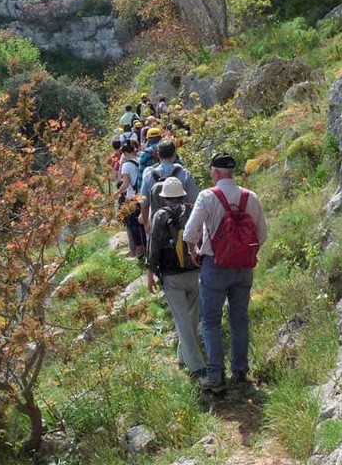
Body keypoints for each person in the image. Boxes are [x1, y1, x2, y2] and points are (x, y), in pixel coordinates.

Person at [183, 152, 267, 393]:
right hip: (243, 269)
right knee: (239, 318)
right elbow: (262, 234)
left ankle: (216, 376)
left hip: (215, 266)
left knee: (210, 322)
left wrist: (194, 250)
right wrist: (246, 252)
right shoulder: (250, 197)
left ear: (215, 173)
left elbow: (190, 233)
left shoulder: (207, 196)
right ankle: (241, 371)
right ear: (232, 172)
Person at [145, 177, 205, 379]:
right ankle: (182, 358)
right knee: (192, 318)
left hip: (172, 277)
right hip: (195, 271)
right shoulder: (193, 210)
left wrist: (150, 274)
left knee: (182, 322)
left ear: (165, 198)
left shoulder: (160, 215)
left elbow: (154, 247)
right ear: (182, 194)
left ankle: (197, 367)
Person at [139, 139, 198, 235]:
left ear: (158, 155)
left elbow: (144, 204)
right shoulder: (184, 174)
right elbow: (194, 201)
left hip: (156, 223)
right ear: (174, 154)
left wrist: (146, 223)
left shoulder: (148, 174)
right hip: (181, 223)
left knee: (156, 248)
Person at [113, 139, 147, 259]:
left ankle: (139, 248)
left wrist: (116, 193)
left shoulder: (126, 165)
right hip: (142, 196)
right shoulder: (140, 161)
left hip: (132, 198)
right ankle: (147, 246)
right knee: (143, 222)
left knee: (133, 224)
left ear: (125, 153)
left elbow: (125, 184)